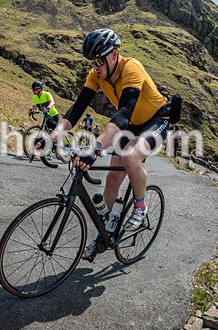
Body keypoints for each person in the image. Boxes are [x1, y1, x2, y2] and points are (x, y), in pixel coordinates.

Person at [48, 28, 169, 258]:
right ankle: (104, 233)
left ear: (114, 54)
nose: (95, 67)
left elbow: (123, 113)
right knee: (113, 177)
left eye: (99, 61)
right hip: (131, 125)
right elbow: (77, 108)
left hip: (156, 121)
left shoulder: (132, 68)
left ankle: (140, 206)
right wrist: (52, 136)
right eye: (92, 62)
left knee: (130, 157)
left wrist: (95, 149)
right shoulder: (96, 74)